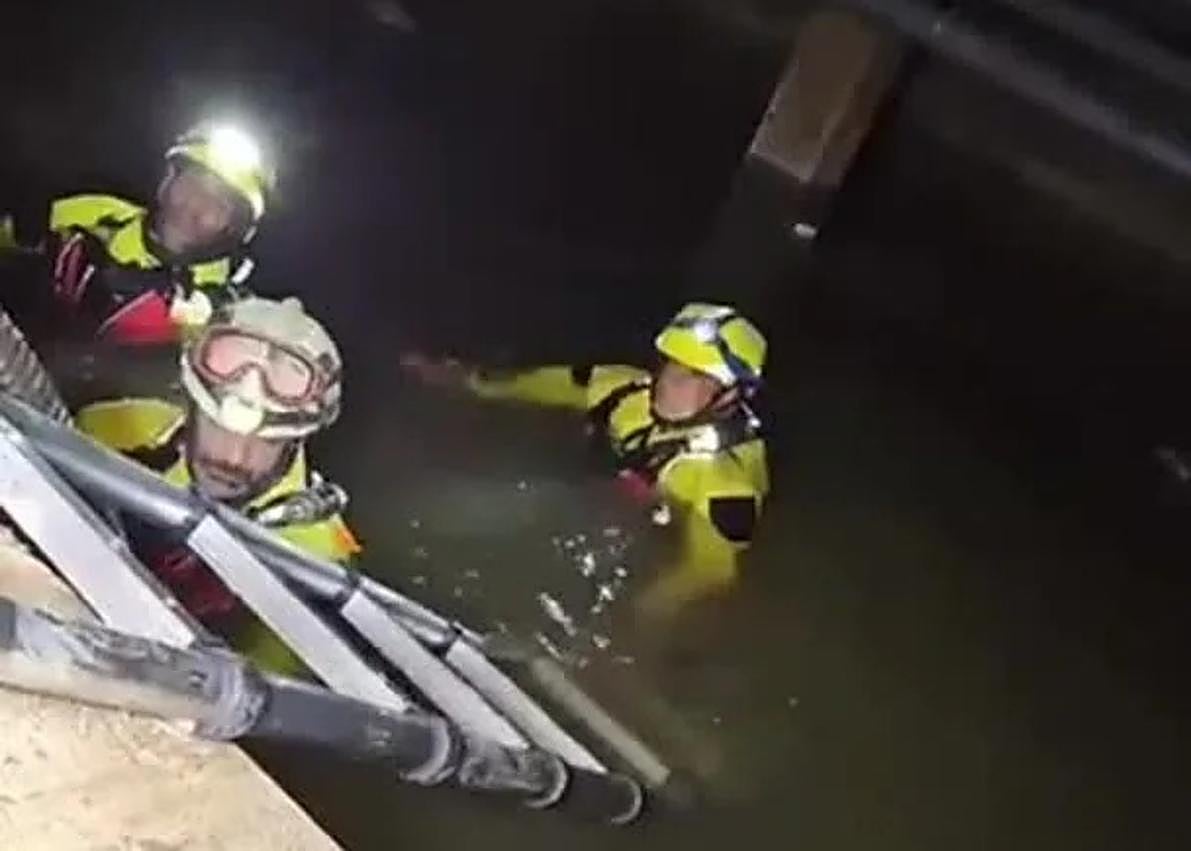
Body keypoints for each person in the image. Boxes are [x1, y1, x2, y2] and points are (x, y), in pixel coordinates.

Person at [402, 302, 769, 619]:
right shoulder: (623, 389)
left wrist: (639, 614)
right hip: (584, 494)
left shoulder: (728, 486)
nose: (670, 381)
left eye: (695, 376)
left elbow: (710, 571)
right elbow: (542, 384)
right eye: (672, 364)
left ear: (729, 396)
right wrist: (464, 381)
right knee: (450, 508)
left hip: (638, 541)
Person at [75, 296, 359, 672]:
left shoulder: (315, 559)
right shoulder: (115, 430)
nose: (233, 459)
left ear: (298, 439)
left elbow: (270, 680)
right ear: (192, 403)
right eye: (216, 427)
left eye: (266, 443)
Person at [1, 122, 275, 345]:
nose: (195, 205)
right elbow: (12, 233)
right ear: (169, 179)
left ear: (236, 229)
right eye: (192, 184)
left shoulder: (227, 313)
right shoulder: (93, 212)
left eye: (217, 204)